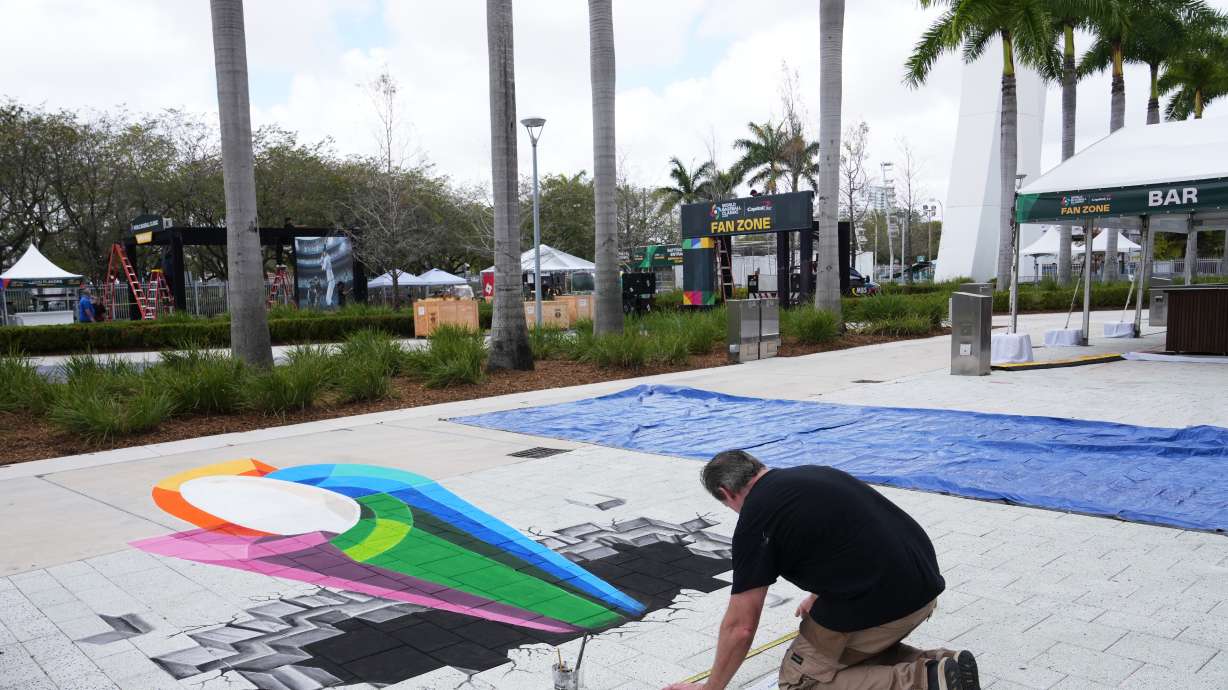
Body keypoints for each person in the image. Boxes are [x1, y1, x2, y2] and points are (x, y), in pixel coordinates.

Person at [663, 451, 979, 690]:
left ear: (726, 493)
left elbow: (740, 627)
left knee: (799, 679)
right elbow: (849, 535)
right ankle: (945, 665)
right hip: (922, 585)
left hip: (885, 602)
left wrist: (711, 687)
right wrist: (819, 592)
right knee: (835, 654)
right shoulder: (815, 474)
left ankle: (928, 681)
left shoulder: (756, 519)